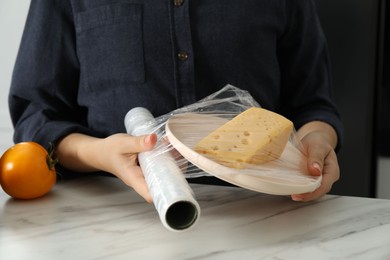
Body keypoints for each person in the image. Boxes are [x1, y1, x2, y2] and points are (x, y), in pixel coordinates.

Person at [9, 0, 342, 203]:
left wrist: (317, 142)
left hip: (264, 210)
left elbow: (313, 105)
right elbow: (36, 112)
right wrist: (100, 154)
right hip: (112, 215)